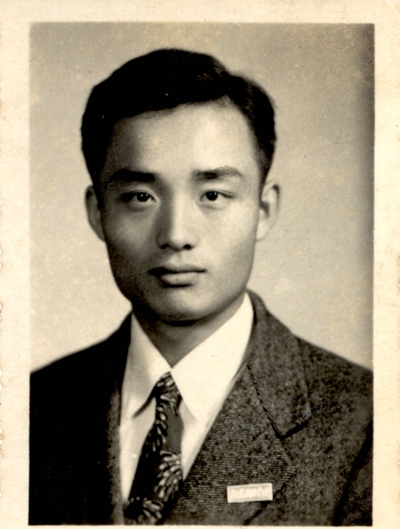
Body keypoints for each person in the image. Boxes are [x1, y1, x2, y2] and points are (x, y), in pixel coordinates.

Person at [29, 48, 372, 526]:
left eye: (212, 194)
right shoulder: (32, 406)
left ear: (263, 210)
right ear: (97, 212)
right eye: (140, 197)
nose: (176, 234)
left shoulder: (367, 421)